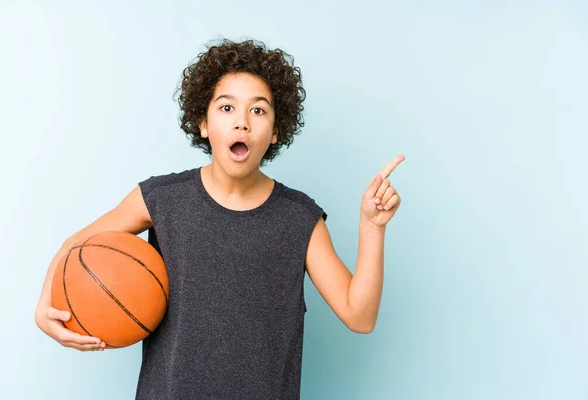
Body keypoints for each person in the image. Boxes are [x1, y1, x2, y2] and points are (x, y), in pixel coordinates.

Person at [34, 38, 405, 399]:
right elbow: (75, 246)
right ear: (203, 123)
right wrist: (44, 309)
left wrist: (372, 227)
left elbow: (360, 317)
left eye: (258, 110)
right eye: (226, 108)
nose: (241, 122)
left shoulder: (300, 218)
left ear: (276, 131)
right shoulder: (161, 199)